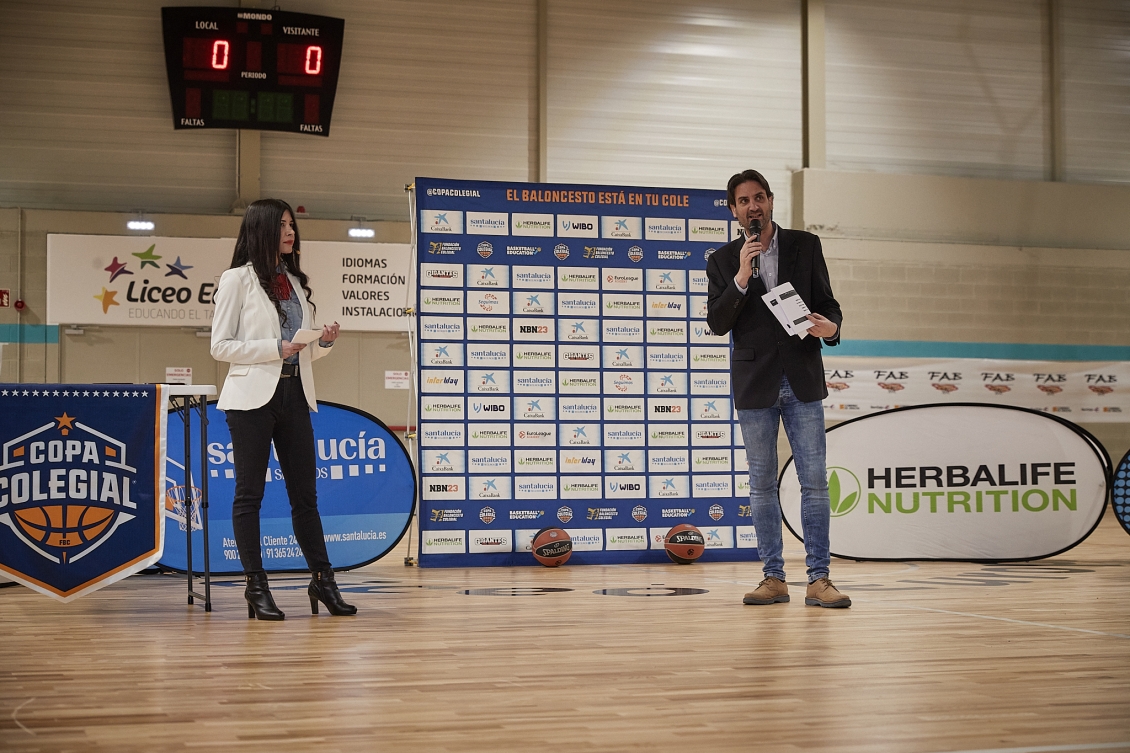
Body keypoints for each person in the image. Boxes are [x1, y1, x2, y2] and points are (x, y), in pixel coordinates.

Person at [706, 170, 850, 609]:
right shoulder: (723, 260)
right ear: (733, 211)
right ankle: (773, 578)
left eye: (759, 197)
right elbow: (718, 323)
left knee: (815, 483)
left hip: (802, 377)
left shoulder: (806, 245)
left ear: (770, 201)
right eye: (743, 201)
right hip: (755, 383)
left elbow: (828, 306)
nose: (753, 206)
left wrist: (831, 329)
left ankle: (819, 579)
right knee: (761, 486)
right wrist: (742, 276)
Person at [210, 198, 356, 620]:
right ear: (262, 229)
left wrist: (322, 342)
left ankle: (323, 581)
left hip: (294, 395)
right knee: (249, 495)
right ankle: (256, 586)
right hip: (250, 399)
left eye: (293, 225)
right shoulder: (236, 280)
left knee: (305, 497)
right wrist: (274, 347)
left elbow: (299, 350)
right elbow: (220, 347)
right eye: (283, 226)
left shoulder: (293, 280)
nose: (291, 232)